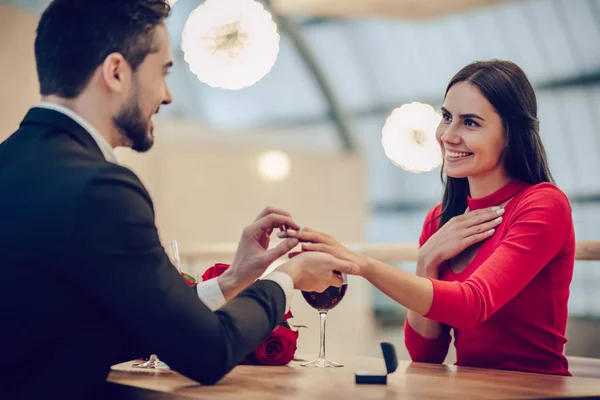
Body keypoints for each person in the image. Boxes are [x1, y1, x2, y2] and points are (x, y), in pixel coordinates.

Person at [0, 0, 358, 398]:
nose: (168, 96)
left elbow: (92, 329)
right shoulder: (101, 188)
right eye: (163, 72)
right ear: (116, 72)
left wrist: (233, 279)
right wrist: (289, 277)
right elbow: (208, 352)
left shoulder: (11, 161)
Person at [282, 60, 575, 376]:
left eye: (471, 123)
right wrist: (426, 261)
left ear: (511, 134)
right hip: (467, 390)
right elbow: (425, 354)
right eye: (447, 117)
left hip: (536, 389)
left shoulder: (543, 205)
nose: (448, 135)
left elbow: (471, 305)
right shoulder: (439, 221)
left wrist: (362, 264)